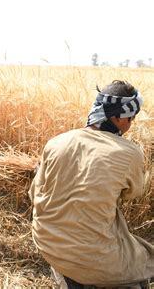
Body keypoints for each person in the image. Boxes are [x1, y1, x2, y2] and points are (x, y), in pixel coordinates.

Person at [29, 80, 153, 288]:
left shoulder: (56, 142)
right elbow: (132, 193)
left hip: (47, 243)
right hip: (91, 254)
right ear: (116, 117)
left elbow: (35, 193)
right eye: (129, 118)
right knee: (145, 260)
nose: (131, 124)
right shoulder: (129, 152)